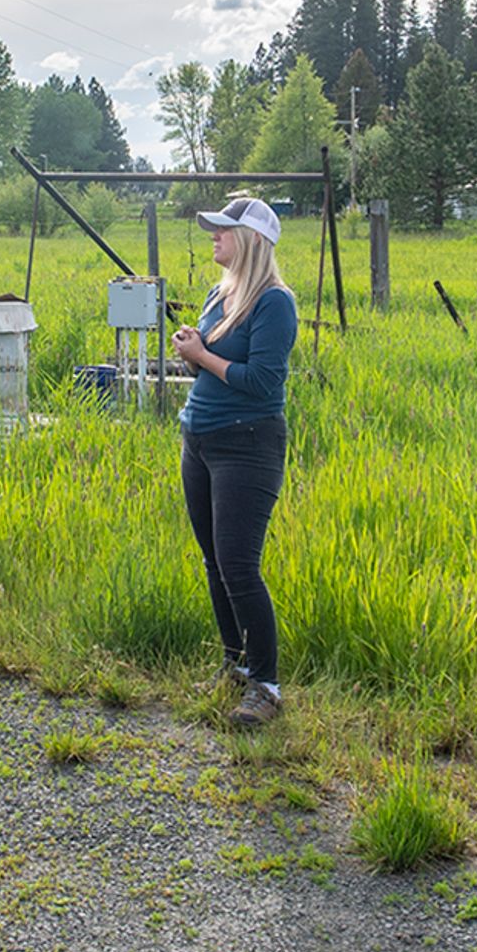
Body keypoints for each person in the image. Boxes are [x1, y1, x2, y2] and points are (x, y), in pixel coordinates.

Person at [171, 193, 301, 729]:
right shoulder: (216, 293)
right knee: (214, 562)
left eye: (223, 230)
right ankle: (236, 664)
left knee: (240, 567)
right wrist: (193, 353)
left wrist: (203, 356)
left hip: (248, 444)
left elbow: (263, 382)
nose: (214, 237)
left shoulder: (275, 303)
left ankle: (266, 687)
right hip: (198, 439)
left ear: (250, 241)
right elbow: (215, 367)